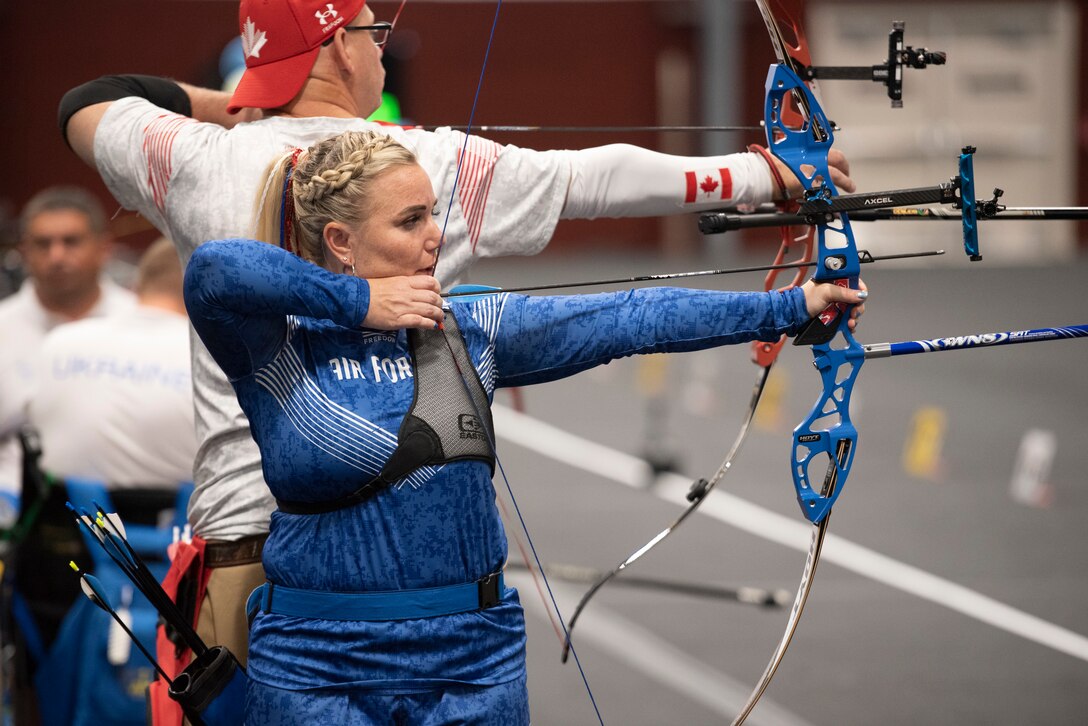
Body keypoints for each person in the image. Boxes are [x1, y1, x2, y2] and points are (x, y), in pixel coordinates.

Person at [58, 0, 857, 673]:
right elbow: (595, 181)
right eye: (372, 34)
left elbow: (90, 99)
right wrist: (770, 175)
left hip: (242, 552)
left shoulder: (193, 159)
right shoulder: (422, 165)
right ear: (336, 45)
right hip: (392, 554)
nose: (381, 50)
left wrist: (244, 101)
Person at [183, 129, 866, 723]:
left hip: (472, 660)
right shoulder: (277, 344)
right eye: (411, 220)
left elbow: (630, 318)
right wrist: (359, 301)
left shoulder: (471, 328)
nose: (435, 235)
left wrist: (789, 305)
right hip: (315, 664)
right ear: (341, 241)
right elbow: (214, 270)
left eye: (435, 213)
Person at [0, 187, 136, 518]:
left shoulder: (139, 324)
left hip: (127, 510)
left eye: (71, 241)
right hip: (16, 517)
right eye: (43, 244)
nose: (56, 256)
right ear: (24, 251)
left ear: (104, 247)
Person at [27, 237, 196, 491]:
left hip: (63, 520)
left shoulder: (61, 341)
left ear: (136, 286)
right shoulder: (211, 361)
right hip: (179, 523)